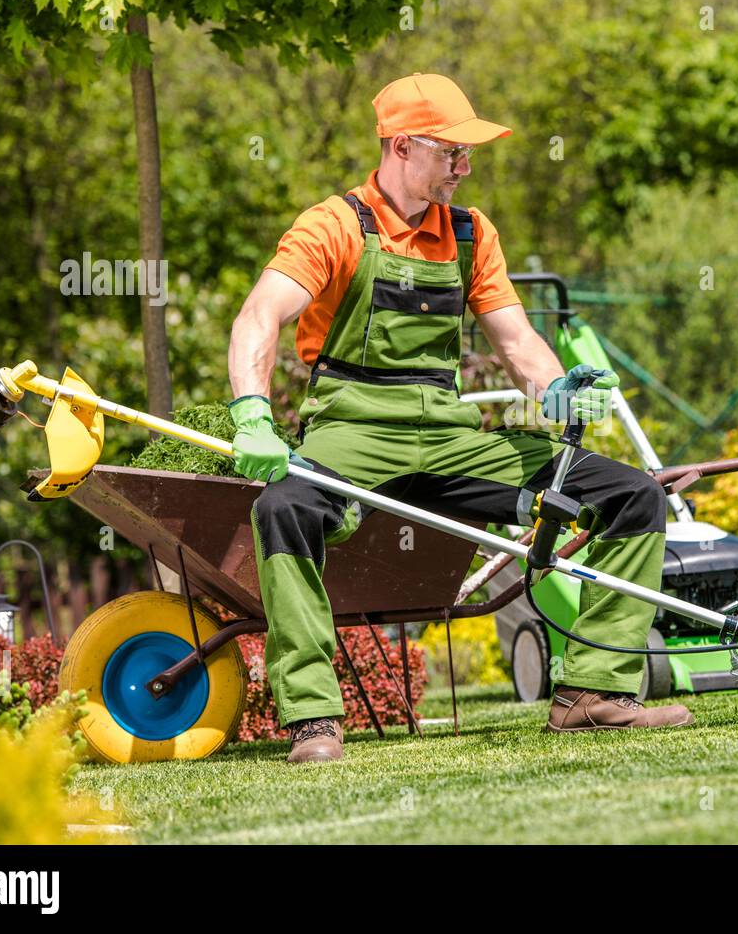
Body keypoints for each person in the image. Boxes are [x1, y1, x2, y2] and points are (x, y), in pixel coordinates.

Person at [227, 73, 693, 763]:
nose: (465, 167)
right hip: (351, 435)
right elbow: (257, 316)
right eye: (453, 153)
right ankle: (315, 718)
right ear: (404, 145)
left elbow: (515, 343)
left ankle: (590, 694)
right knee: (283, 507)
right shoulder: (332, 226)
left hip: (449, 441)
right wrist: (251, 414)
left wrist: (558, 387)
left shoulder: (472, 233)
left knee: (633, 495)